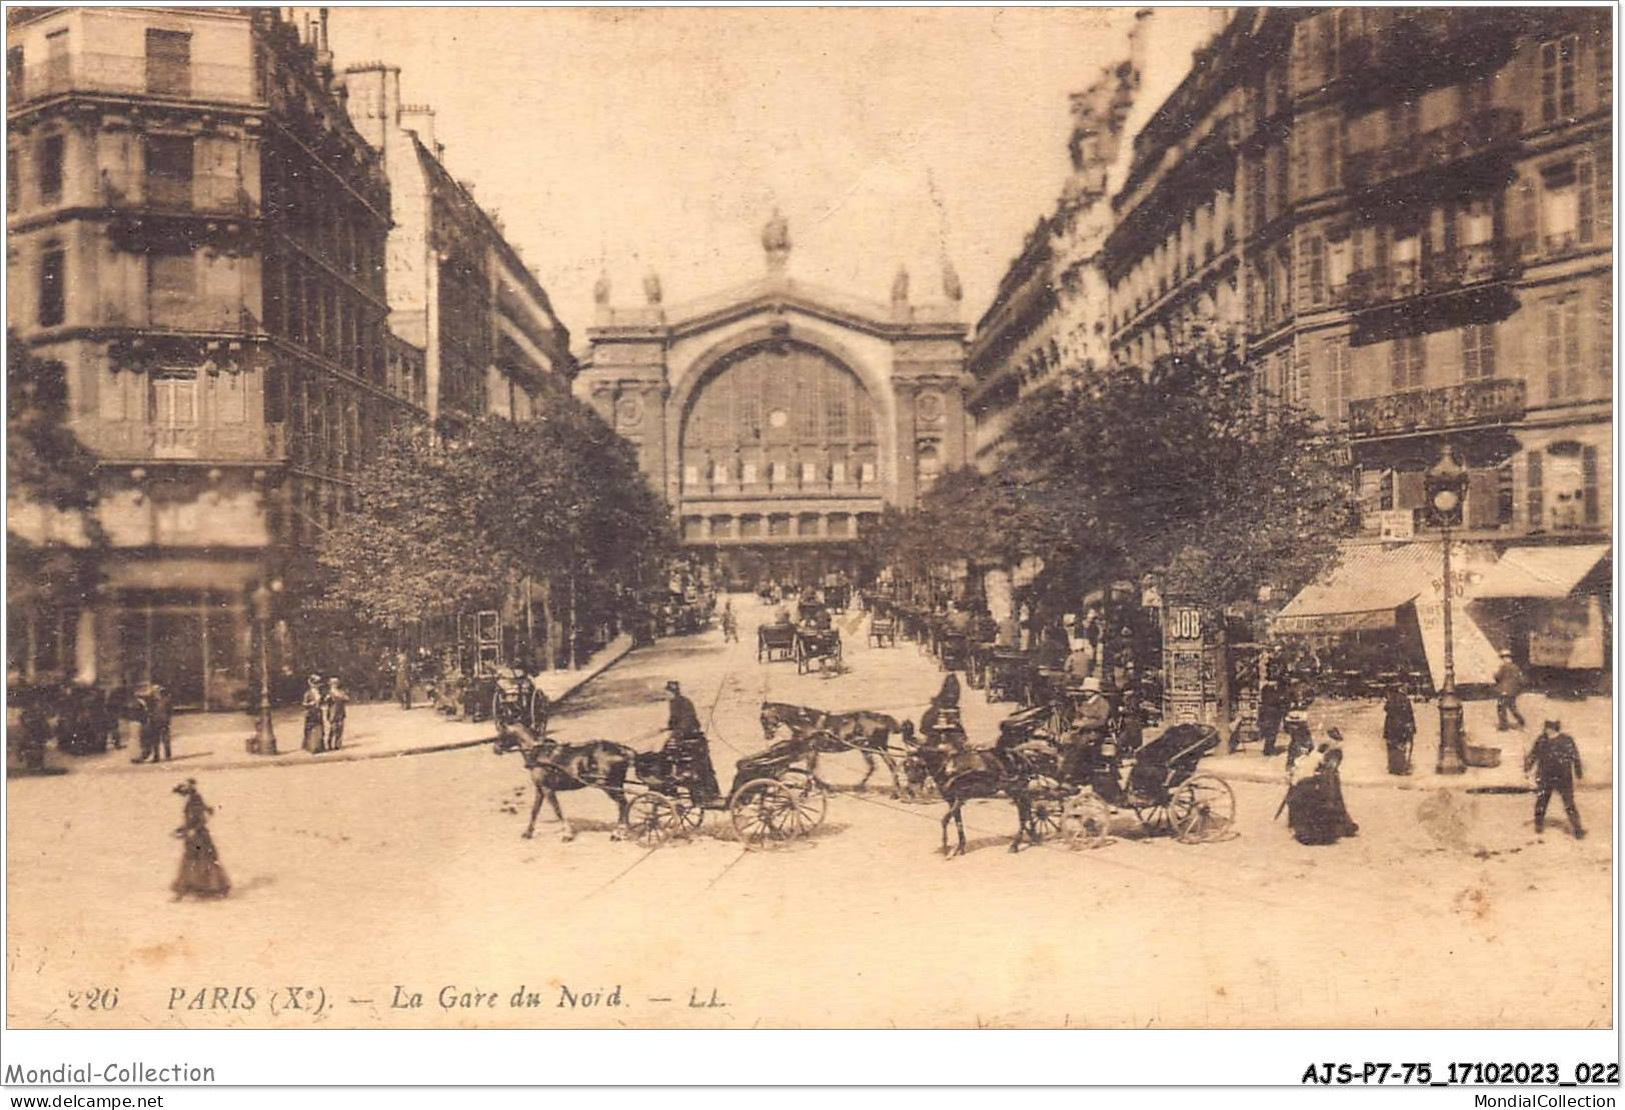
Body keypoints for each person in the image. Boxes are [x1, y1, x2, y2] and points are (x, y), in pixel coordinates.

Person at [1524, 719, 1585, 839]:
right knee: (1542, 800)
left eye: (1548, 728)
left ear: (1554, 729)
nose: (1546, 731)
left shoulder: (1566, 740)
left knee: (1569, 803)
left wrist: (1578, 773)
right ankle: (1539, 824)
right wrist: (1528, 765)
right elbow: (1534, 754)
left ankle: (1577, 829)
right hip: (1545, 776)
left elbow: (1575, 757)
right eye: (1546, 728)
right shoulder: (1541, 740)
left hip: (1563, 777)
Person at [663, 681, 721, 805]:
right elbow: (673, 721)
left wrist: (675, 734)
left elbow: (687, 721)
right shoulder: (673, 703)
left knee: (698, 765)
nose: (666, 695)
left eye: (667, 692)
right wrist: (668, 728)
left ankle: (678, 781)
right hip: (684, 737)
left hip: (691, 737)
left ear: (673, 692)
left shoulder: (684, 703)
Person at [171, 779, 230, 900]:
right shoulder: (194, 799)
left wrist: (189, 830)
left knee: (198, 860)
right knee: (197, 860)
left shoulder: (195, 800)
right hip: (195, 836)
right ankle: (205, 889)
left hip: (199, 836)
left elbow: (200, 820)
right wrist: (182, 829)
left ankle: (207, 889)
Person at [1382, 686, 1416, 776]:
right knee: (1401, 746)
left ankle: (1393, 767)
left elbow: (1386, 708)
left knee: (1392, 747)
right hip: (1402, 727)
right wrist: (1412, 728)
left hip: (1391, 727)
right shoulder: (1405, 700)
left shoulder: (1392, 699)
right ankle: (1401, 768)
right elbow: (1409, 715)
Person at [1493, 650, 1527, 731]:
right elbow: (1522, 680)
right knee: (1512, 707)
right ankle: (1521, 721)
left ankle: (1503, 726)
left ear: (1505, 658)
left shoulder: (1503, 667)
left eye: (1503, 658)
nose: (1503, 660)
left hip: (1504, 690)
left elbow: (1498, 677)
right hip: (1512, 691)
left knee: (1501, 708)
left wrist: (1494, 674)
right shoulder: (1516, 667)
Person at [323, 677, 349, 750]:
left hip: (341, 712)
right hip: (333, 713)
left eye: (336, 683)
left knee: (340, 729)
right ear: (330, 684)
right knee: (333, 729)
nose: (335, 685)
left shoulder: (341, 692)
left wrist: (341, 697)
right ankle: (329, 744)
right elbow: (325, 701)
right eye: (333, 683)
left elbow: (347, 698)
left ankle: (338, 745)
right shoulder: (329, 693)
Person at [301, 674, 326, 753]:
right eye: (315, 684)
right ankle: (311, 747)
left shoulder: (319, 693)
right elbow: (304, 704)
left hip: (318, 712)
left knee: (319, 728)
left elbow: (321, 702)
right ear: (311, 684)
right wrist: (310, 704)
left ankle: (319, 747)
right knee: (311, 729)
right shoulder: (308, 693)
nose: (317, 685)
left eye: (318, 684)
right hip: (311, 713)